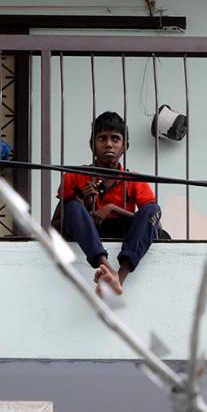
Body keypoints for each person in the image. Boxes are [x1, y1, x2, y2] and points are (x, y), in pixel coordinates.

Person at [53, 111, 161, 296]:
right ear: (92, 146)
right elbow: (55, 225)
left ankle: (118, 277)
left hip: (123, 231)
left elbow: (154, 222)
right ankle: (108, 269)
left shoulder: (134, 180)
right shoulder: (74, 176)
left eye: (115, 139)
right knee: (71, 206)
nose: (109, 144)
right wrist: (85, 207)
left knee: (153, 208)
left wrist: (112, 209)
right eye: (102, 138)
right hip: (90, 233)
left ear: (124, 146)